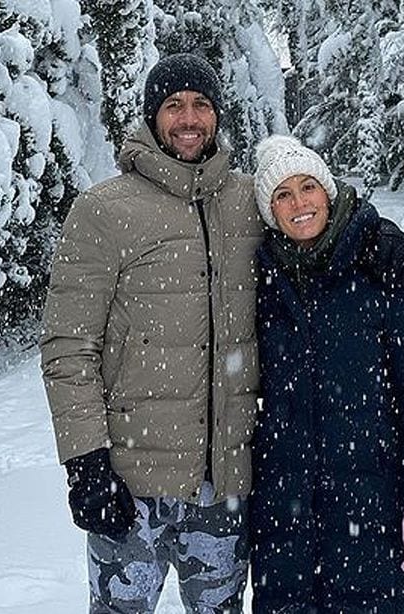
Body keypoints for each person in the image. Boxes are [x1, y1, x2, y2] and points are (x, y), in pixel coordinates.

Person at [40, 53, 261, 613]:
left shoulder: (247, 201)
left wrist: (372, 238)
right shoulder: (103, 210)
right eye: (173, 106)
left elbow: (311, 216)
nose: (189, 119)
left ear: (217, 116)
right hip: (129, 487)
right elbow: (69, 347)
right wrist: (86, 461)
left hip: (223, 488)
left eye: (201, 105)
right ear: (151, 116)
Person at [249, 135, 404, 613]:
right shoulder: (261, 282)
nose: (299, 203)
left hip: (373, 506)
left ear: (329, 191)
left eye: (308, 186)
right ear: (269, 211)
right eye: (282, 195)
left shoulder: (381, 269)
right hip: (286, 513)